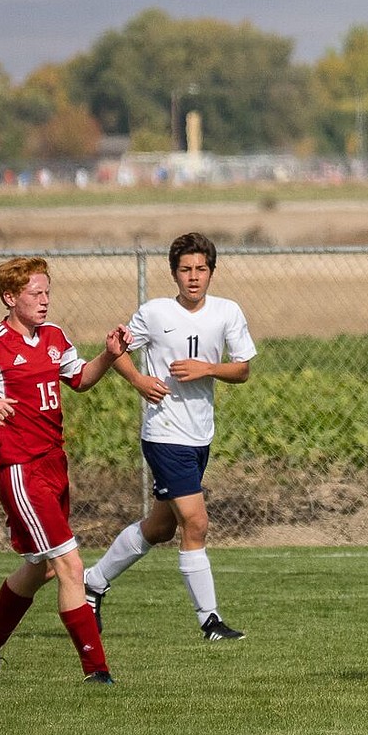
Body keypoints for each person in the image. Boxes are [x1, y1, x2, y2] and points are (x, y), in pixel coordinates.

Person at [0, 256, 132, 683]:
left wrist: (110, 356)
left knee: (41, 566)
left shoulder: (54, 335)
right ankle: (97, 672)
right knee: (70, 566)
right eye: (35, 294)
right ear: (10, 298)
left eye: (47, 292)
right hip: (21, 470)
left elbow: (79, 379)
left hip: (54, 465)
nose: (44, 301)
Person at [83, 232, 255, 641]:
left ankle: (93, 582)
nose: (193, 277)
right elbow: (117, 350)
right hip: (164, 433)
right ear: (173, 273)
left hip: (199, 435)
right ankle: (209, 621)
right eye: (185, 270)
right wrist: (139, 380)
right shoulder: (155, 312)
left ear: (211, 272)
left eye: (201, 269)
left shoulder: (227, 312)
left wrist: (206, 369)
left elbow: (243, 368)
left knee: (160, 527)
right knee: (196, 522)